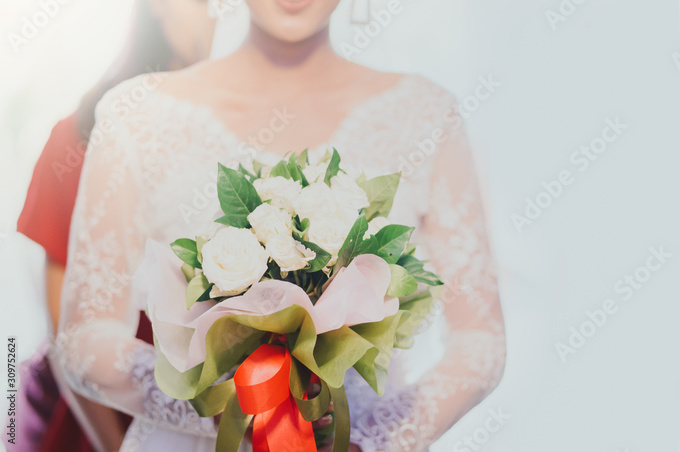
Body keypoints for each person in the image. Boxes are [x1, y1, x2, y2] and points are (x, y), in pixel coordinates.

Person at [52, 0, 507, 450]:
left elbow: (480, 339)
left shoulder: (424, 115)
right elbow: (82, 340)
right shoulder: (138, 115)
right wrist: (227, 409)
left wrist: (374, 438)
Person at [12, 0, 216, 450]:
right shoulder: (80, 140)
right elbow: (67, 334)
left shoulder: (248, 140)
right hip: (100, 417)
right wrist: (112, 445)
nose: (219, 15)